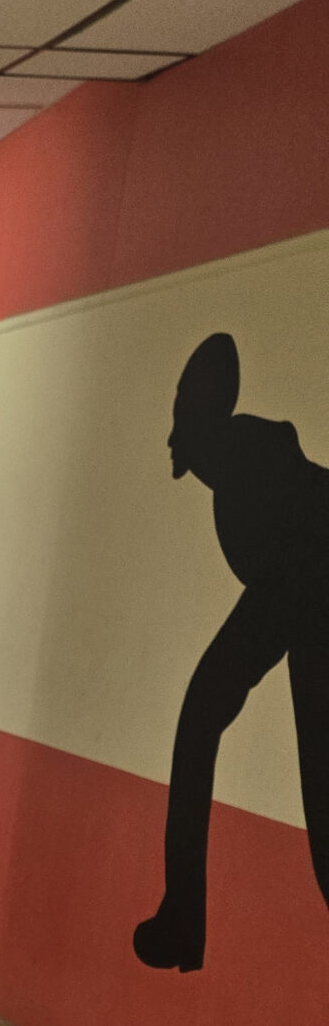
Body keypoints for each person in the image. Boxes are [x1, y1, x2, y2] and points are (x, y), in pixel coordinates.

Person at [133, 331, 329, 972]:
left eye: (181, 406)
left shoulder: (248, 467)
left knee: (209, 722)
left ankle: (183, 921)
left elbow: (286, 582)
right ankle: (182, 920)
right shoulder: (239, 472)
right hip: (306, 607)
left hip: (312, 600)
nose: (172, 433)